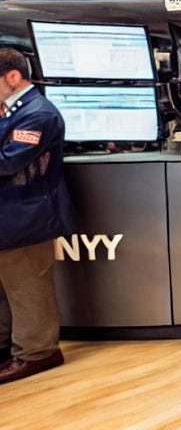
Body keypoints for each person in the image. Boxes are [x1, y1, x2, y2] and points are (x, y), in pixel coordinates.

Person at [0, 48, 73, 384]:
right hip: (9, 213)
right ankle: (8, 348)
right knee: (6, 288)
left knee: (27, 286)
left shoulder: (37, 114)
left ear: (12, 77)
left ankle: (37, 352)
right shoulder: (12, 110)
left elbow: (8, 162)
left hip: (26, 215)